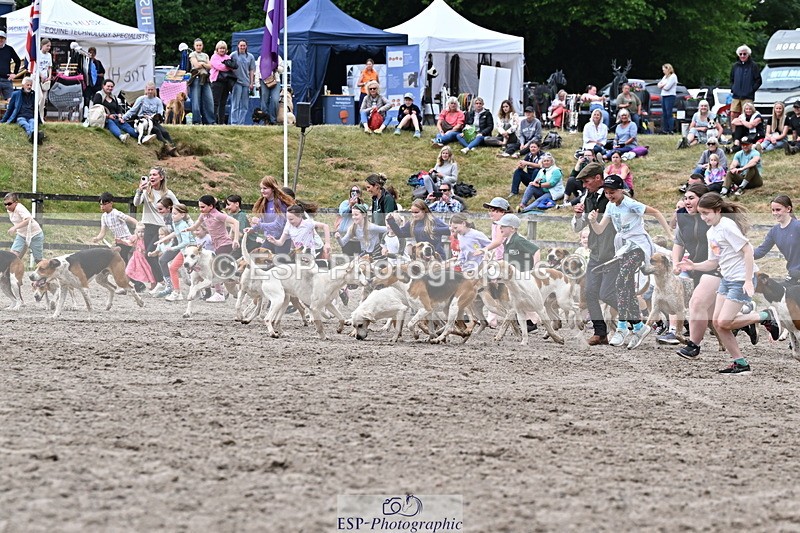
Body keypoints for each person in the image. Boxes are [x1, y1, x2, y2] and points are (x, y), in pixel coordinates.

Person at [678, 193, 781, 373]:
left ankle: (765, 316)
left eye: (706, 213)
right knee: (718, 323)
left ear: (718, 210)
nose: (703, 217)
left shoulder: (727, 226)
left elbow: (748, 251)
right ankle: (740, 363)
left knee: (724, 322)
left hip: (740, 279)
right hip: (727, 279)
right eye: (701, 214)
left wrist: (748, 280)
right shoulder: (711, 232)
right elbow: (713, 262)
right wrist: (694, 265)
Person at [588, 174, 672, 349]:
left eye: (612, 192)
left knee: (621, 282)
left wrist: (670, 234)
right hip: (623, 246)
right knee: (626, 286)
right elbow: (599, 230)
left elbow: (656, 212)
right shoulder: (610, 206)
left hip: (638, 245)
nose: (609, 195)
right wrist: (593, 221)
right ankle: (639, 327)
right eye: (606, 192)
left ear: (621, 190)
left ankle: (622, 326)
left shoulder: (631, 204)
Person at [571, 162, 619, 345]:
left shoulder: (613, 195)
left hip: (614, 253)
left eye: (587, 181)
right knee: (590, 292)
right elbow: (578, 227)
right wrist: (577, 216)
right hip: (596, 253)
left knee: (606, 294)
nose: (584, 185)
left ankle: (635, 318)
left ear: (598, 178)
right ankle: (600, 332)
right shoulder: (587, 197)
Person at [669, 184, 720, 350]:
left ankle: (693, 344)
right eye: (685, 198)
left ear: (703, 199)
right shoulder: (682, 216)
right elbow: (679, 242)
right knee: (713, 315)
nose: (687, 202)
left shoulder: (715, 218)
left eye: (691, 198)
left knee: (697, 303)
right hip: (697, 267)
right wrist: (676, 263)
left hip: (717, 268)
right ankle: (751, 321)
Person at [133, 167, 179, 290]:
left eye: (154, 175)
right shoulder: (146, 191)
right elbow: (136, 203)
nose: (151, 177)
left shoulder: (168, 193)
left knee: (150, 254)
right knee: (148, 255)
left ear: (161, 177)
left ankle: (162, 281)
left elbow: (179, 207)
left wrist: (172, 217)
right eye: (150, 175)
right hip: (148, 225)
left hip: (161, 227)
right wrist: (139, 190)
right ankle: (159, 281)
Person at [155, 203, 196, 301]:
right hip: (184, 251)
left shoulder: (183, 225)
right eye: (172, 213)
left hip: (190, 250)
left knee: (197, 270)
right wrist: (163, 239)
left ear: (182, 215)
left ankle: (178, 292)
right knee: (173, 268)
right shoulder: (176, 223)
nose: (172, 216)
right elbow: (176, 233)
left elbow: (186, 242)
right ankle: (177, 292)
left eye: (175, 214)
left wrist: (174, 248)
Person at [754, 195, 800, 282]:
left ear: (788, 209)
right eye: (773, 210)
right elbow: (760, 252)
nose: (775, 213)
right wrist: (742, 252)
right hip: (793, 275)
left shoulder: (798, 226)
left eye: (778, 210)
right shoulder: (774, 231)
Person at [122, 82, 177, 153]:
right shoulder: (141, 99)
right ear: (146, 90)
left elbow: (160, 113)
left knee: (165, 132)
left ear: (154, 90)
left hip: (153, 120)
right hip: (143, 121)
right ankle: (166, 146)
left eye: (152, 90)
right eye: (149, 90)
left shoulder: (158, 101)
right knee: (157, 130)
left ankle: (174, 146)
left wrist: (153, 116)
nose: (150, 91)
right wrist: (123, 118)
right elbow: (133, 110)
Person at [266, 204, 330, 261]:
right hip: (299, 253)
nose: (289, 221)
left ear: (300, 216)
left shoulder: (308, 223)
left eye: (291, 219)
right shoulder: (288, 225)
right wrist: (275, 241)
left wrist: (327, 243)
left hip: (312, 252)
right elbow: (281, 243)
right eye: (288, 219)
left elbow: (325, 226)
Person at [250, 175, 295, 254]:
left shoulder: (279, 203)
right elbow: (263, 221)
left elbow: (278, 225)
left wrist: (259, 225)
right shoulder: (264, 203)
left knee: (279, 262)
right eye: (261, 188)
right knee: (260, 258)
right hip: (269, 239)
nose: (262, 191)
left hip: (281, 240)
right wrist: (253, 228)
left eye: (265, 188)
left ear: (273, 189)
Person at [91, 192, 138, 263]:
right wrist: (97, 238)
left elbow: (130, 219)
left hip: (126, 240)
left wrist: (138, 226)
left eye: (104, 204)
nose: (102, 207)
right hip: (118, 241)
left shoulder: (116, 213)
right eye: (101, 204)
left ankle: (126, 269)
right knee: (117, 257)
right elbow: (102, 232)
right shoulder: (103, 217)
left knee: (122, 257)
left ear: (111, 203)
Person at [1, 77, 44, 144]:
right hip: (20, 116)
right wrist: (3, 121)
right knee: (25, 124)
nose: (29, 87)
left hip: (31, 116)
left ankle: (32, 136)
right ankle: (35, 136)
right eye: (28, 85)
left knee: (32, 123)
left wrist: (40, 121)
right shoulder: (16, 94)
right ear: (23, 85)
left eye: (30, 85)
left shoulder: (34, 94)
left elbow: (36, 109)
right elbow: (10, 109)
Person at [4, 192, 44, 264]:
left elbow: (28, 220)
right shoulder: (9, 210)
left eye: (9, 204)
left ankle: (51, 268)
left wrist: (15, 227)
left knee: (38, 260)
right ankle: (13, 270)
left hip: (35, 234)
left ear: (16, 202)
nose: (7, 206)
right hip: (22, 235)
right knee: (13, 256)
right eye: (5, 204)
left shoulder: (20, 208)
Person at [93, 79, 137, 143]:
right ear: (103, 86)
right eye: (108, 86)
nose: (110, 88)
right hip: (104, 118)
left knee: (125, 124)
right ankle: (120, 136)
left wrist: (120, 117)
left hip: (115, 117)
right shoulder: (98, 95)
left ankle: (140, 137)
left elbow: (118, 108)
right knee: (110, 122)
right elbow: (96, 110)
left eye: (111, 87)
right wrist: (108, 116)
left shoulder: (113, 97)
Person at [729, 44, 762, 122]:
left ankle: (748, 129)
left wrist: (751, 90)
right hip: (736, 96)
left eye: (744, 54)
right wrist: (733, 89)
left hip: (748, 96)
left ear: (748, 54)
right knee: (733, 114)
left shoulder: (753, 66)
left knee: (748, 115)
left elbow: (759, 80)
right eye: (740, 54)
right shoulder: (735, 66)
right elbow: (731, 79)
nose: (742, 56)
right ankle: (734, 130)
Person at [336, 185, 369, 257]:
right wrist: (350, 206)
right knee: (347, 258)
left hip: (359, 238)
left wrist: (357, 205)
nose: (354, 193)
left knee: (359, 259)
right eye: (353, 191)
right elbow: (343, 214)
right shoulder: (345, 203)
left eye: (357, 191)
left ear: (360, 193)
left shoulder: (364, 205)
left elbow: (365, 214)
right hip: (346, 236)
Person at [188, 38, 215, 125]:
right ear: (194, 46)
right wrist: (204, 64)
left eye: (200, 45)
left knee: (209, 100)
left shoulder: (206, 55)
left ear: (202, 46)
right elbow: (196, 65)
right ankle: (196, 121)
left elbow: (210, 66)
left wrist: (202, 64)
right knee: (196, 100)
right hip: (196, 78)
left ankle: (210, 121)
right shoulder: (192, 54)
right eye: (197, 45)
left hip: (206, 78)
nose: (199, 47)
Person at [229, 40, 256, 126]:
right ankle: (234, 123)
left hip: (246, 83)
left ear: (246, 46)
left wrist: (251, 83)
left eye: (244, 45)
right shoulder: (233, 55)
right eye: (241, 45)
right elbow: (228, 65)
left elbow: (252, 70)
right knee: (235, 104)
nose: (242, 47)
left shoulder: (250, 57)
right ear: (238, 46)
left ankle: (241, 123)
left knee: (244, 105)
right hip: (236, 82)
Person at [210, 41, 235, 125]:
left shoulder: (228, 57)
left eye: (224, 48)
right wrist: (228, 66)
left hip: (226, 82)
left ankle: (221, 121)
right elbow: (219, 67)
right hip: (217, 81)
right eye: (220, 48)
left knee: (223, 103)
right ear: (217, 49)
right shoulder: (214, 57)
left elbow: (233, 66)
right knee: (215, 102)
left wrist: (228, 65)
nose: (222, 50)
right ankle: (212, 120)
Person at [125, 223, 156, 288]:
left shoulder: (146, 240)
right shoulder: (136, 239)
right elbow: (128, 241)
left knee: (149, 271)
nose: (141, 234)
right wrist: (122, 241)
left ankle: (153, 285)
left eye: (142, 232)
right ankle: (125, 286)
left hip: (144, 259)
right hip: (135, 258)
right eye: (139, 232)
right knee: (128, 270)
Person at [257, 54, 284, 125]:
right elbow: (257, 70)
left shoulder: (277, 57)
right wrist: (257, 83)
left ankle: (273, 120)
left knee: (275, 100)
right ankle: (265, 121)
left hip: (275, 81)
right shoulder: (261, 57)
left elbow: (282, 70)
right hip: (263, 80)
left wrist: (276, 67)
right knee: (264, 101)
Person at [0, 30, 22, 100]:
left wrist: (15, 73)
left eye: (2, 38)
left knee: (11, 101)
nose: (0, 40)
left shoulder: (9, 49)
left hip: (7, 80)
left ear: (5, 39)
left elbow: (18, 61)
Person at [657, 63, 678, 134]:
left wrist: (663, 85)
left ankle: (670, 129)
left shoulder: (673, 76)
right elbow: (658, 85)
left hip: (670, 96)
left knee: (669, 113)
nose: (663, 71)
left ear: (668, 69)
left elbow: (667, 87)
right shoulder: (665, 77)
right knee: (664, 113)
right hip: (664, 95)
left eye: (664, 70)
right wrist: (663, 84)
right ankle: (665, 129)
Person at [37, 39, 53, 121]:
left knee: (43, 100)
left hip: (45, 79)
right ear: (42, 45)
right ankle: (35, 115)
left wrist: (49, 76)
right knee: (39, 97)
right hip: (37, 78)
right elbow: (35, 67)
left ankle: (41, 117)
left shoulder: (49, 55)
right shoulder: (38, 54)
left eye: (50, 46)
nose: (49, 47)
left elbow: (50, 67)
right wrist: (40, 75)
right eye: (47, 46)